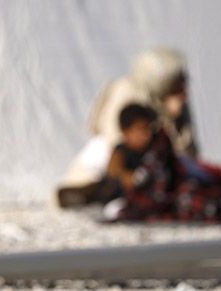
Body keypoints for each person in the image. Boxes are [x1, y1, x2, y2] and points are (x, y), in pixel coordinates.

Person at [57, 47, 198, 207]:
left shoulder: (172, 103)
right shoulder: (127, 91)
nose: (185, 93)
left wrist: (174, 120)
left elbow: (188, 153)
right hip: (118, 162)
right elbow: (118, 140)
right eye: (177, 86)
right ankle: (86, 192)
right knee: (100, 149)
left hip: (152, 166)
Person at [59, 104, 158, 206]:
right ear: (126, 131)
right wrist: (127, 176)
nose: (147, 134)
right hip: (109, 190)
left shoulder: (153, 149)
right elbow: (114, 168)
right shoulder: (122, 149)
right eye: (141, 129)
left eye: (148, 129)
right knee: (95, 192)